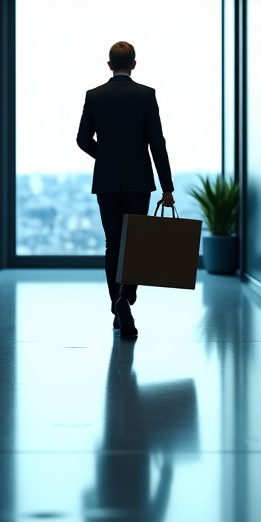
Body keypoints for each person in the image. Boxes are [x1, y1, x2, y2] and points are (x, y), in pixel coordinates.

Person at [76, 40, 175, 338]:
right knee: (134, 244)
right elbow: (157, 143)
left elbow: (82, 139)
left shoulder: (94, 96)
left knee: (113, 244)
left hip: (106, 181)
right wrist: (167, 187)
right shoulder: (146, 95)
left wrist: (105, 157)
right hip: (138, 180)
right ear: (134, 64)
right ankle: (125, 299)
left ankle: (115, 302)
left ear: (109, 65)